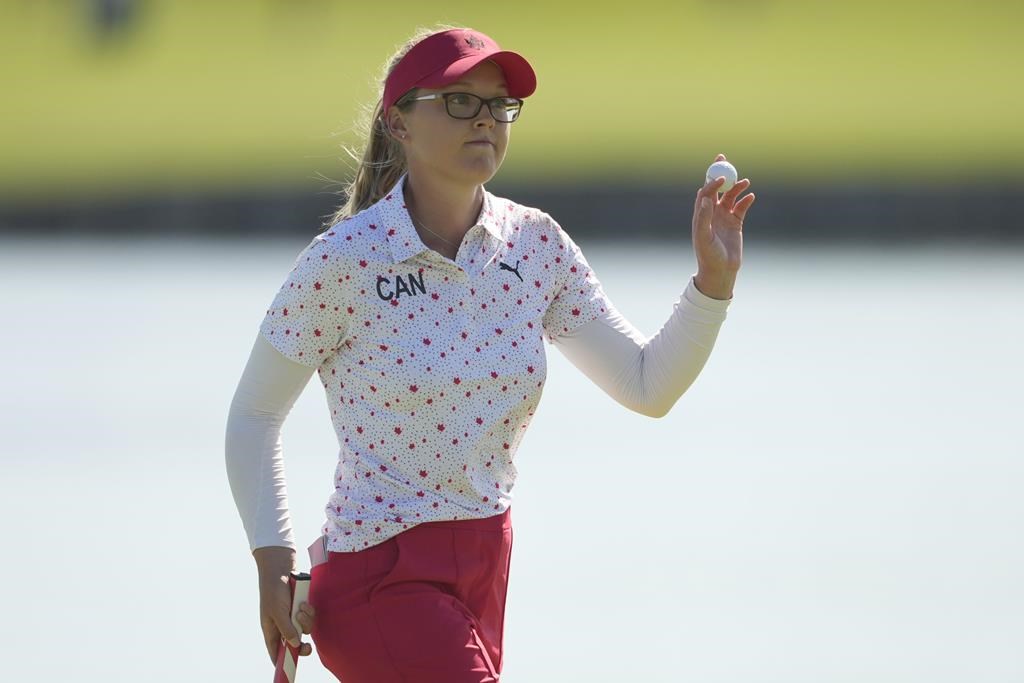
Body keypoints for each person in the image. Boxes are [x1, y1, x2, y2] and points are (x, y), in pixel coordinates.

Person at [225, 25, 754, 683]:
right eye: (458, 101)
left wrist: (713, 285)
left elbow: (647, 385)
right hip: (378, 580)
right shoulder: (344, 262)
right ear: (400, 122)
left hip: (485, 569)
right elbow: (253, 416)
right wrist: (272, 558)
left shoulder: (534, 245)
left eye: (498, 105)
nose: (484, 119)